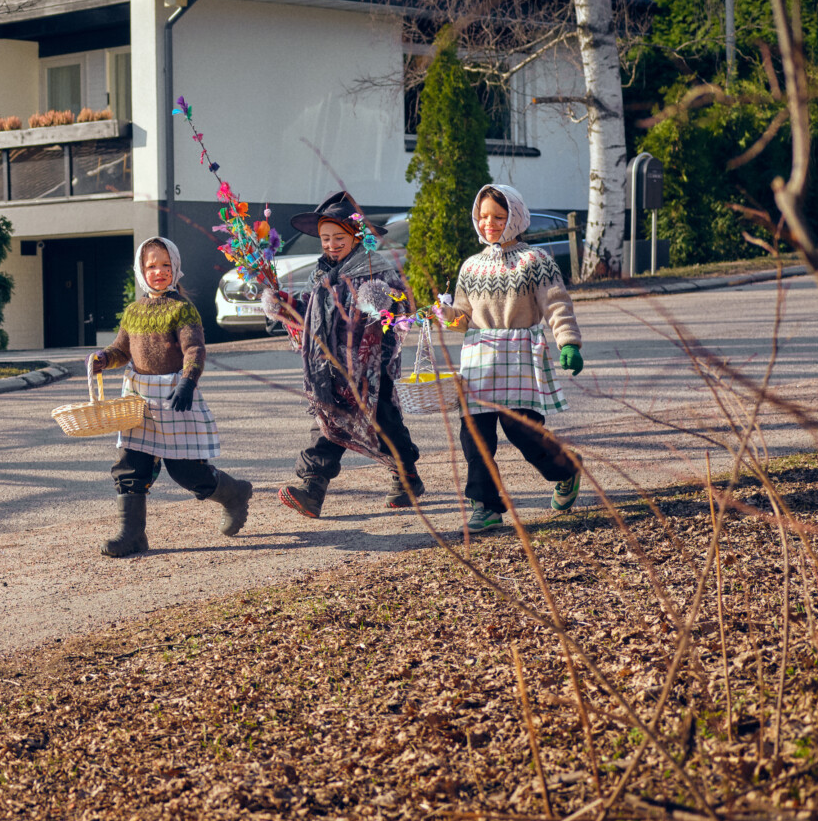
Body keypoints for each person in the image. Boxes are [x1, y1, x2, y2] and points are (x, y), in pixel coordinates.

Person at [86, 237, 252, 558]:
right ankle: (132, 534)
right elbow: (122, 349)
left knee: (185, 471)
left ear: (175, 267)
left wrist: (188, 382)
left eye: (165, 265)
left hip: (175, 397)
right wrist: (104, 359)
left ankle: (234, 494)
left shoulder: (182, 309)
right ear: (140, 271)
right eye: (151, 266)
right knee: (129, 464)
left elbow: (194, 349)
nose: (159, 272)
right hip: (138, 399)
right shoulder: (134, 312)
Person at [264, 189, 424, 519]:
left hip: (370, 366)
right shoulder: (320, 274)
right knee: (326, 419)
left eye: (339, 237)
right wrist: (284, 305)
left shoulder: (376, 268)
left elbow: (404, 308)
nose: (332, 244)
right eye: (325, 238)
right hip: (328, 366)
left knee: (383, 423)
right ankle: (312, 488)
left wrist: (382, 301)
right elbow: (309, 311)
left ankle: (405, 475)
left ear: (356, 236)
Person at [449, 182, 585, 533]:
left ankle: (565, 469)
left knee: (522, 430)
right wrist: (448, 316)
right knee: (474, 434)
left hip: (521, 355)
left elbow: (556, 303)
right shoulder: (470, 267)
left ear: (515, 217)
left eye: (498, 216)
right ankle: (486, 505)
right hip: (478, 359)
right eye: (482, 217)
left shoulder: (534, 260)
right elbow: (462, 317)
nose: (489, 223)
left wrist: (567, 342)